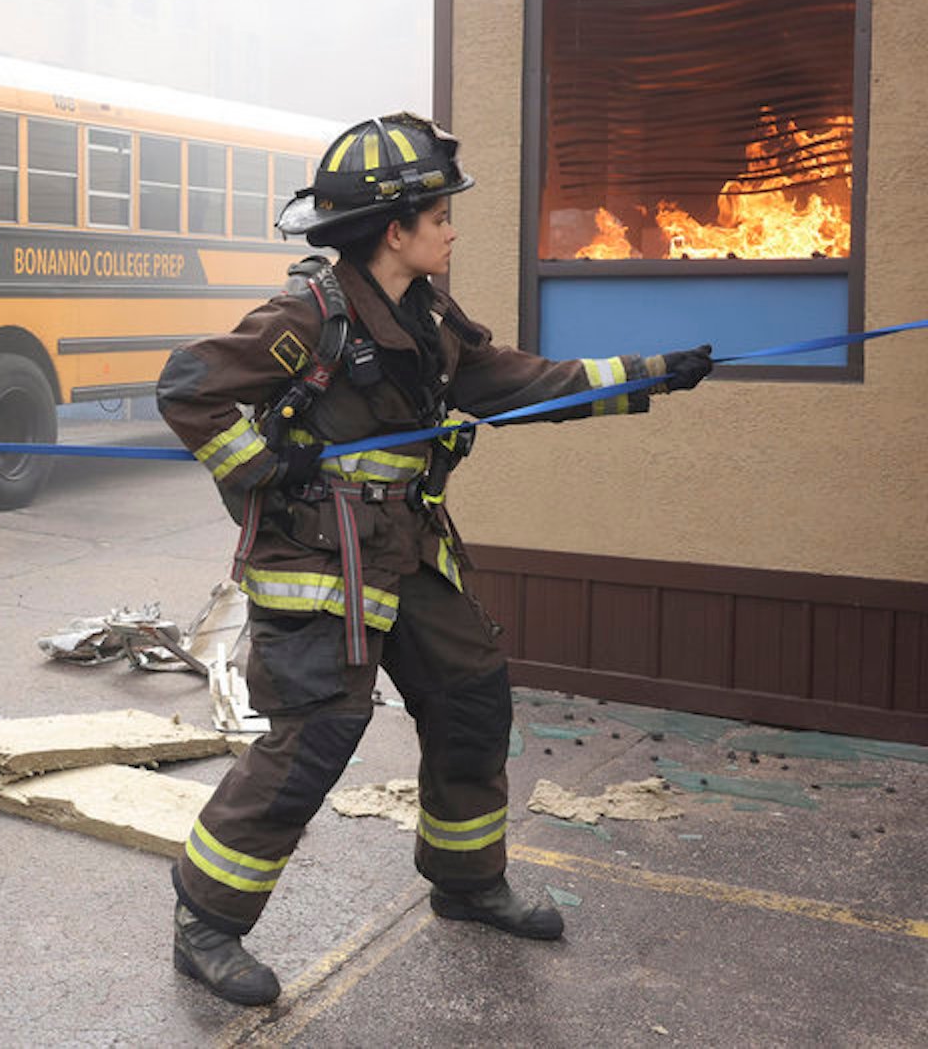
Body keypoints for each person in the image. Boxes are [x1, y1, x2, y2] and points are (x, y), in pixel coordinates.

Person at [155, 114, 712, 1005]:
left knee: (471, 696)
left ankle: (466, 881)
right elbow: (191, 389)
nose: (452, 227)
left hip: (408, 553)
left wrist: (644, 375)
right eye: (440, 213)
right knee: (318, 737)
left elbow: (508, 383)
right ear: (394, 228)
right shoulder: (310, 315)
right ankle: (207, 922)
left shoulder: (426, 313)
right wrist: (260, 463)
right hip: (324, 564)